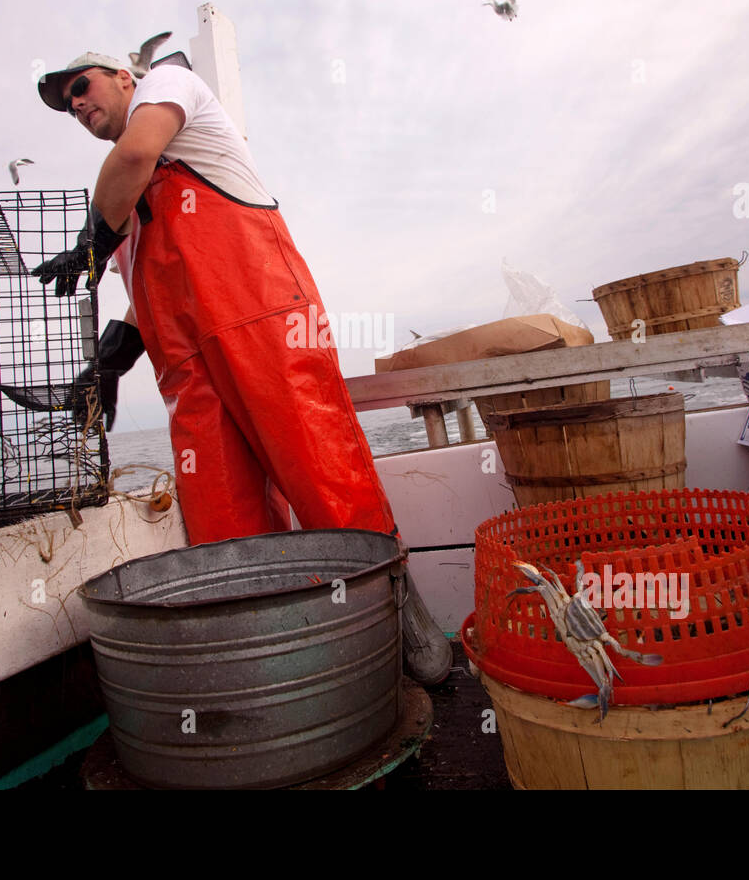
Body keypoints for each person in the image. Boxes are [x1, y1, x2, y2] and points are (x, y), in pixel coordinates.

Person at [32, 50, 450, 684]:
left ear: (124, 78)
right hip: (189, 371)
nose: (76, 103)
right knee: (223, 517)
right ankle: (283, 660)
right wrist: (107, 365)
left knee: (320, 470)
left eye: (80, 87)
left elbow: (136, 155)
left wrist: (89, 242)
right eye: (66, 104)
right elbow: (151, 301)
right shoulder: (125, 221)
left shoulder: (168, 87)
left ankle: (403, 619)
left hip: (261, 323)